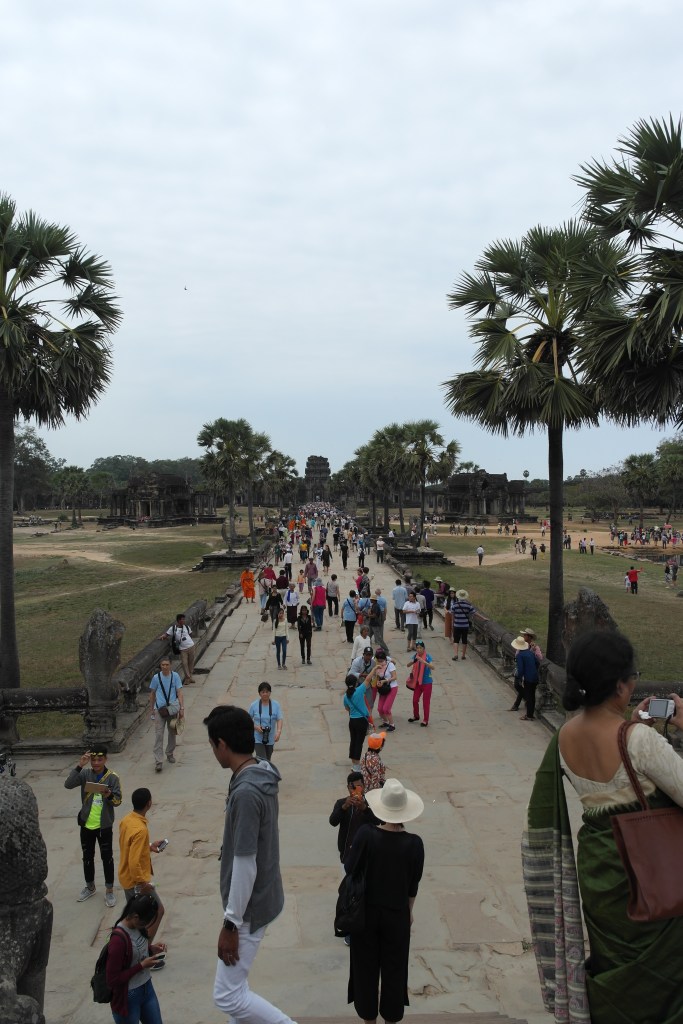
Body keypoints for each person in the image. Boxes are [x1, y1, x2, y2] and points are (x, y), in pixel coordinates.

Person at [523, 630, 683, 1024]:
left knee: (613, 962)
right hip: (651, 876)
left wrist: (630, 722)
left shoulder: (565, 735)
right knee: (662, 980)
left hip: (600, 874)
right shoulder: (639, 740)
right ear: (621, 685)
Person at [203, 706, 296, 1024]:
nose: (213, 751)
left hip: (247, 908)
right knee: (237, 990)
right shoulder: (261, 769)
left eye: (212, 745)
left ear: (222, 745)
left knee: (227, 996)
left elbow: (245, 864)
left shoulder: (246, 792)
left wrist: (231, 924)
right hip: (261, 896)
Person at [345, 779, 425, 1024]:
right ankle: (390, 1018)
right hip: (397, 913)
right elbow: (413, 885)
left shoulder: (366, 835)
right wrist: (409, 912)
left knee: (364, 968)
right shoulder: (415, 844)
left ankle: (369, 1020)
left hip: (365, 913)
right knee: (394, 970)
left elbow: (349, 867)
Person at [65, 746, 122, 906]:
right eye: (93, 760)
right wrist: (80, 765)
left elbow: (118, 801)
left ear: (105, 760)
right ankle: (90, 886)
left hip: (104, 826)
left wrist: (109, 794)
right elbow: (68, 784)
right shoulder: (85, 774)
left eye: (99, 759)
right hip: (86, 825)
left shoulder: (112, 778)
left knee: (107, 858)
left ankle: (109, 890)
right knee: (87, 857)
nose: (96, 763)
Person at [106, 892, 167, 1024]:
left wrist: (150, 949)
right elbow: (113, 979)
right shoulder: (118, 941)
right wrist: (141, 966)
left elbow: (134, 954)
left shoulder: (138, 927)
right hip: (128, 997)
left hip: (147, 988)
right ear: (135, 917)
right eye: (144, 923)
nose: (145, 926)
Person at [117, 788, 166, 943]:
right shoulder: (141, 830)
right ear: (149, 803)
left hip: (126, 878)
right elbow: (134, 862)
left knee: (133, 915)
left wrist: (149, 846)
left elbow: (130, 846)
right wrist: (143, 884)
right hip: (136, 882)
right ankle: (145, 949)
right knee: (157, 911)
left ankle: (130, 944)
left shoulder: (126, 820)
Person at [329, 773, 379, 865]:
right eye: (352, 788)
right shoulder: (341, 803)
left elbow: (378, 822)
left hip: (367, 852)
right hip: (347, 853)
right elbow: (333, 822)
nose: (355, 791)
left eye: (358, 787)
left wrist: (365, 809)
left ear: (364, 786)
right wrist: (344, 807)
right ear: (348, 788)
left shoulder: (371, 803)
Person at [148, 658, 185, 773]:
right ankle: (158, 761)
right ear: (160, 666)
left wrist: (181, 708)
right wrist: (152, 709)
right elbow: (152, 694)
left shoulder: (175, 676)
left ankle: (169, 753)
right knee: (159, 735)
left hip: (172, 709)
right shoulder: (156, 678)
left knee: (172, 732)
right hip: (159, 709)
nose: (165, 667)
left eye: (167, 664)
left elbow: (179, 692)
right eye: (163, 665)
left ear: (170, 665)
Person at [248, 682, 283, 761]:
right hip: (257, 738)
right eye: (263, 692)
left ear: (270, 692)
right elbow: (247, 720)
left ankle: (260, 767)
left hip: (270, 737)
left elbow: (279, 719)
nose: (265, 694)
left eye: (267, 692)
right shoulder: (254, 705)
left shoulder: (276, 705)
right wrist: (256, 727)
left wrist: (278, 732)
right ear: (259, 693)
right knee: (262, 759)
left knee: (267, 760)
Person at [344, 674, 372, 771]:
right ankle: (356, 766)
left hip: (352, 721)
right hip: (361, 721)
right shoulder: (359, 691)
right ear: (356, 683)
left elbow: (347, 708)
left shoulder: (346, 696)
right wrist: (375, 668)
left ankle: (354, 763)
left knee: (353, 741)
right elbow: (368, 679)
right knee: (359, 743)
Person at [366, 649, 398, 731]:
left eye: (382, 660)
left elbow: (395, 677)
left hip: (392, 687)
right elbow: (376, 677)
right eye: (379, 660)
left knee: (386, 708)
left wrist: (385, 681)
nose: (380, 662)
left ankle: (392, 725)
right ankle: (386, 722)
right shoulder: (376, 665)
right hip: (383, 689)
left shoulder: (390, 665)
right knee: (380, 709)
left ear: (385, 658)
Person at [158, 613, 195, 685]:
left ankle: (190, 676)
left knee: (191, 662)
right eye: (182, 619)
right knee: (184, 663)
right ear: (178, 620)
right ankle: (187, 678)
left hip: (191, 646)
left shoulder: (186, 627)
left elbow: (190, 634)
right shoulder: (173, 628)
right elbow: (166, 634)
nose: (184, 621)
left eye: (184, 619)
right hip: (183, 649)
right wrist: (162, 636)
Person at [509, 636, 540, 720]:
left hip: (528, 678)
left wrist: (519, 678)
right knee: (532, 696)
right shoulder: (530, 653)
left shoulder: (520, 655)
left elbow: (521, 669)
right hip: (535, 676)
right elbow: (537, 663)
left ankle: (529, 715)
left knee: (529, 696)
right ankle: (530, 714)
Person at [407, 640, 434, 727]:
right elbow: (407, 665)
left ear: (424, 648)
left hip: (427, 683)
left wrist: (424, 662)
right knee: (415, 700)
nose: (418, 650)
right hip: (418, 682)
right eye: (417, 648)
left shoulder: (428, 657)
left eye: (420, 648)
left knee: (426, 702)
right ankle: (416, 716)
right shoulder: (415, 656)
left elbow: (433, 667)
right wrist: (413, 661)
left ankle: (425, 720)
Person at [451, 588, 474, 660]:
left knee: (456, 640)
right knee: (464, 640)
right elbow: (474, 613)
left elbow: (453, 615)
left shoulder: (455, 605)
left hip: (457, 625)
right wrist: (483, 618)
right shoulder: (468, 605)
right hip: (465, 625)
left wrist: (452, 624)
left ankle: (456, 654)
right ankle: (463, 655)